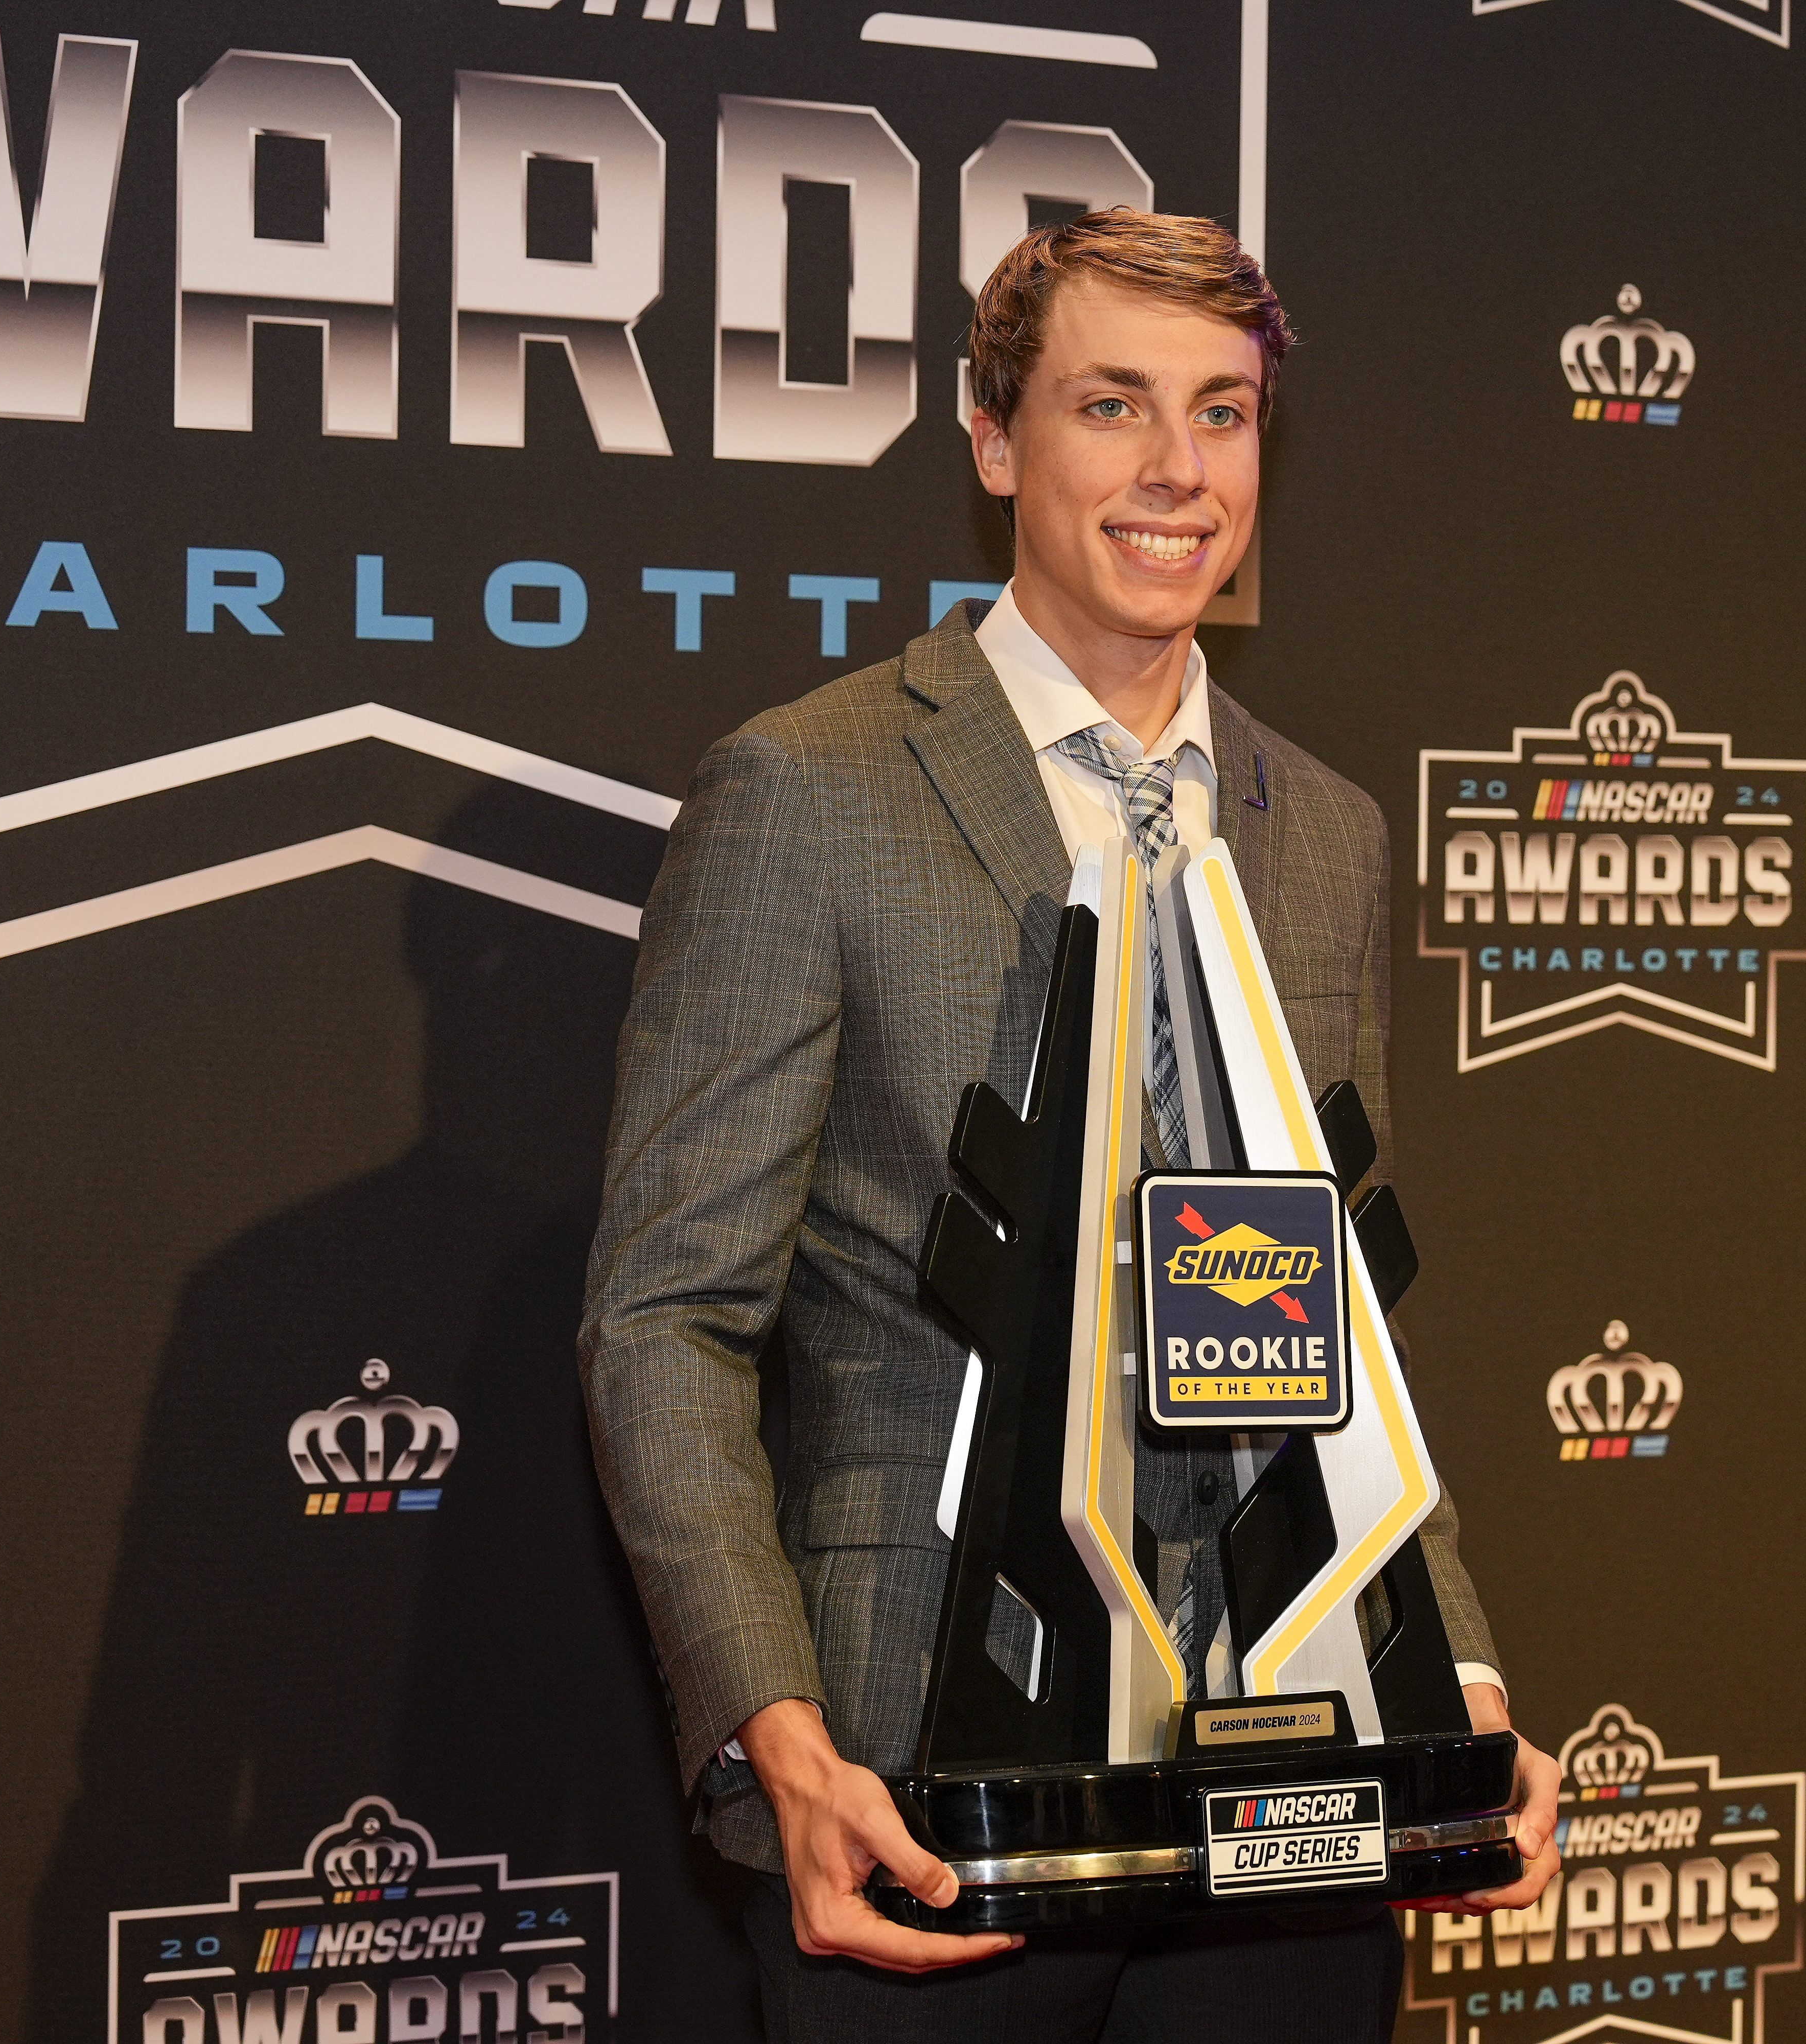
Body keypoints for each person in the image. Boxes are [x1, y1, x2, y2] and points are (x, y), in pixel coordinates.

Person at [580, 207, 1561, 2041]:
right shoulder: (809, 792)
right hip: (929, 1782)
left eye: (1225, 412)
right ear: (993, 437)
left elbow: (1330, 1318)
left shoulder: (1327, 835)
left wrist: (1462, 1675)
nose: (1177, 471)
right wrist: (774, 1736)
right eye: (1112, 406)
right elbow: (666, 1319)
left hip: (1299, 1785)